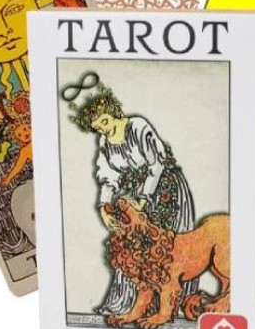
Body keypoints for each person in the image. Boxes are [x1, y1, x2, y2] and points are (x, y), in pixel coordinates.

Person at [63, 75, 196, 315]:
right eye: (98, 127)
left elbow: (156, 164)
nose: (104, 129)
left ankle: (170, 303)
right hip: (136, 196)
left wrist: (143, 200)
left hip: (166, 188)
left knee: (165, 246)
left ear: (113, 112)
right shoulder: (104, 141)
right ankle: (133, 304)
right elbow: (108, 175)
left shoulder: (137, 126)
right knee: (133, 246)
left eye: (105, 121)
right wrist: (104, 207)